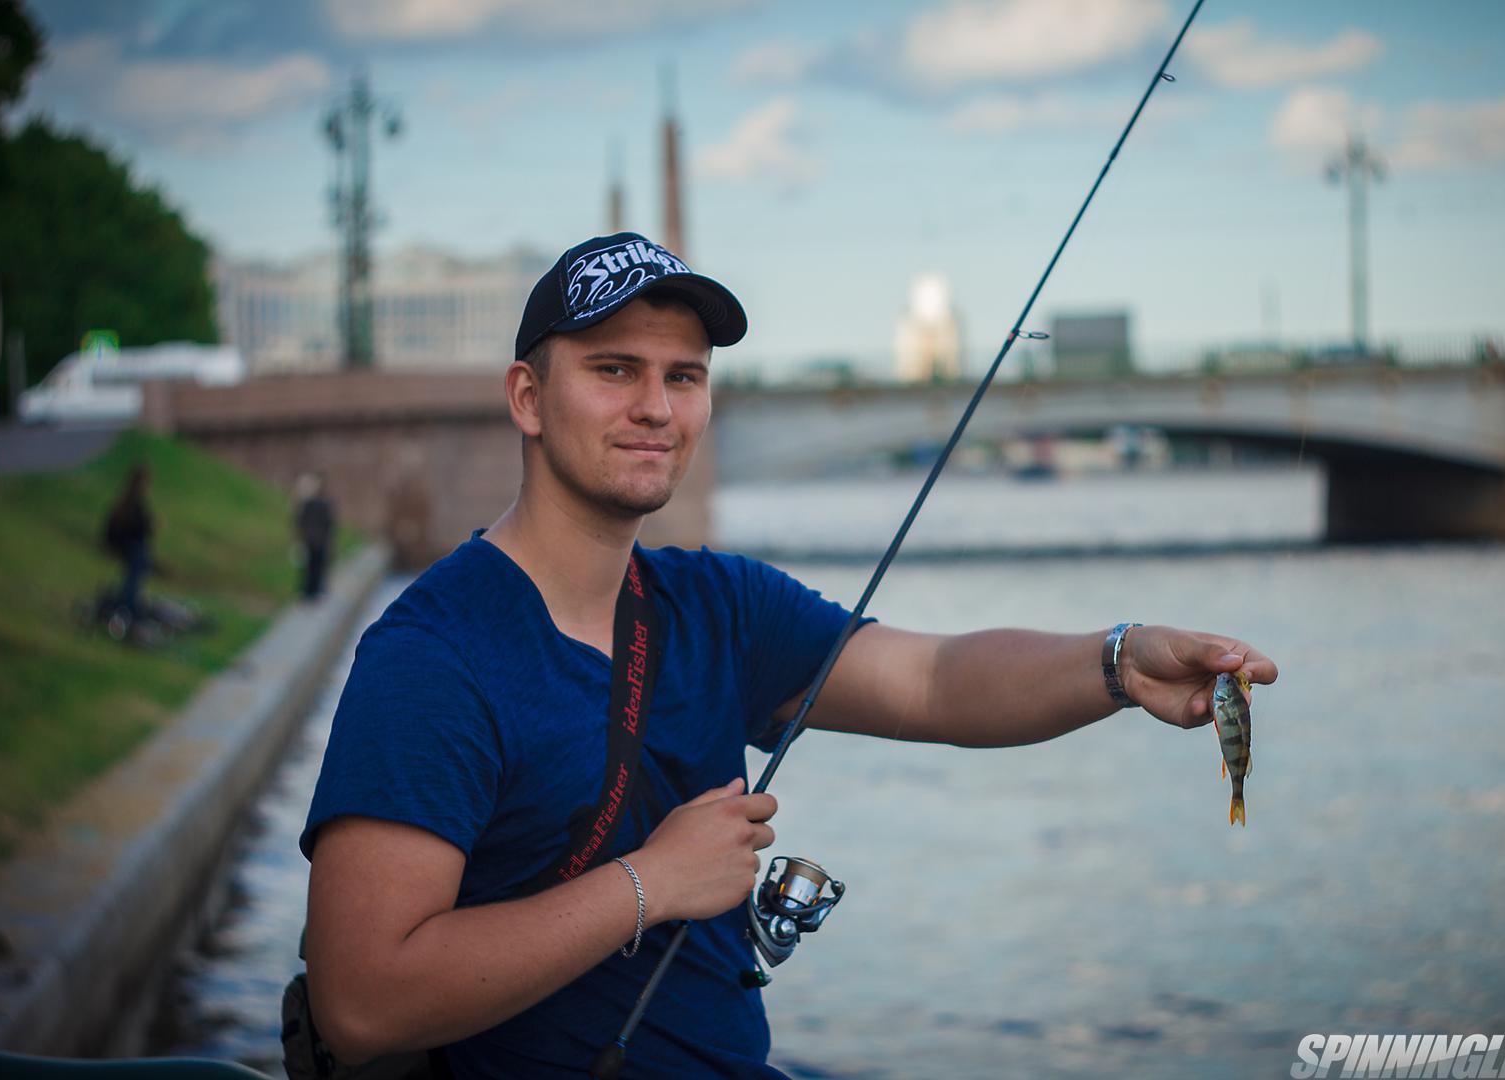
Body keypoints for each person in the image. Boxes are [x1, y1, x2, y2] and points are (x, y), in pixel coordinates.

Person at [299, 232, 1279, 1078]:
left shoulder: (718, 604)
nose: (656, 406)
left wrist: (1116, 663)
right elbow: (364, 999)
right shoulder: (433, 656)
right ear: (528, 396)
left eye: (684, 377)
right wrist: (652, 883)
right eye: (614, 370)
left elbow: (934, 682)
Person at [102, 462, 153, 621]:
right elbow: (133, 527)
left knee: (138, 570)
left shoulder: (130, 498)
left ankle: (126, 602)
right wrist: (149, 525)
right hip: (128, 546)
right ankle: (126, 605)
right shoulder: (132, 500)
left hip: (129, 545)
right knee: (136, 572)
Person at [294, 472, 336, 600]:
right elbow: (328, 523)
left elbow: (300, 521)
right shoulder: (321, 504)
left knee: (313, 567)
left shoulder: (311, 504)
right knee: (313, 567)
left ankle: (310, 591)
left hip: (313, 541)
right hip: (317, 541)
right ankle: (311, 591)